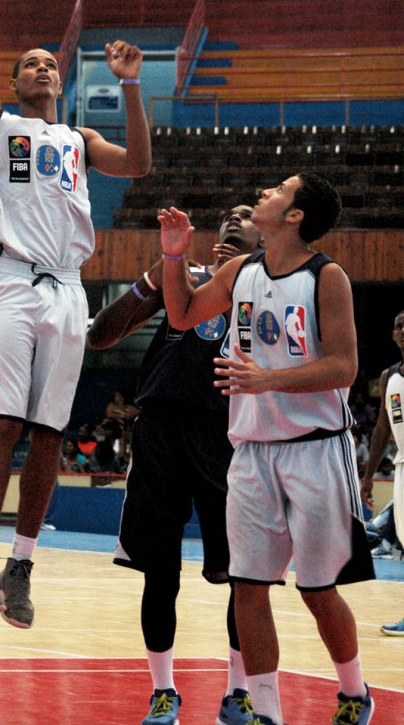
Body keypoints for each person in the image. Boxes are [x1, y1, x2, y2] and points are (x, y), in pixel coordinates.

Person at [0, 0, 151, 628]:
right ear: (14, 82)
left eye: (50, 62)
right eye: (30, 62)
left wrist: (130, 86)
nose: (41, 67)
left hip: (68, 287)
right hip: (11, 279)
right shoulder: (1, 126)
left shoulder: (78, 137)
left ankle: (22, 565)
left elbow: (138, 165)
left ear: (62, 78)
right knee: (4, 418)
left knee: (48, 433)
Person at [157, 173, 375, 725]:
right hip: (252, 451)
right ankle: (267, 713)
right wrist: (173, 255)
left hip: (316, 450)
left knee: (318, 592)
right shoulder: (240, 271)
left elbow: (345, 368)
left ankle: (354, 692)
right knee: (248, 588)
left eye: (280, 190)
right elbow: (182, 314)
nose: (265, 193)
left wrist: (269, 381)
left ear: (296, 215)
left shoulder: (327, 278)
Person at [88, 204, 262, 725]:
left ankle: (238, 693)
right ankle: (163, 692)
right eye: (229, 215)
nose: (235, 218)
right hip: (160, 430)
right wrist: (151, 281)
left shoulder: (270, 292)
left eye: (249, 214)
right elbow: (100, 335)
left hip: (227, 435)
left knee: (243, 577)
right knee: (159, 574)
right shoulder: (183, 281)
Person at [361, 308, 404, 634]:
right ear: (393, 335)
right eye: (398, 326)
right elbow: (381, 431)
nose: (403, 331)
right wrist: (368, 477)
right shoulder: (390, 376)